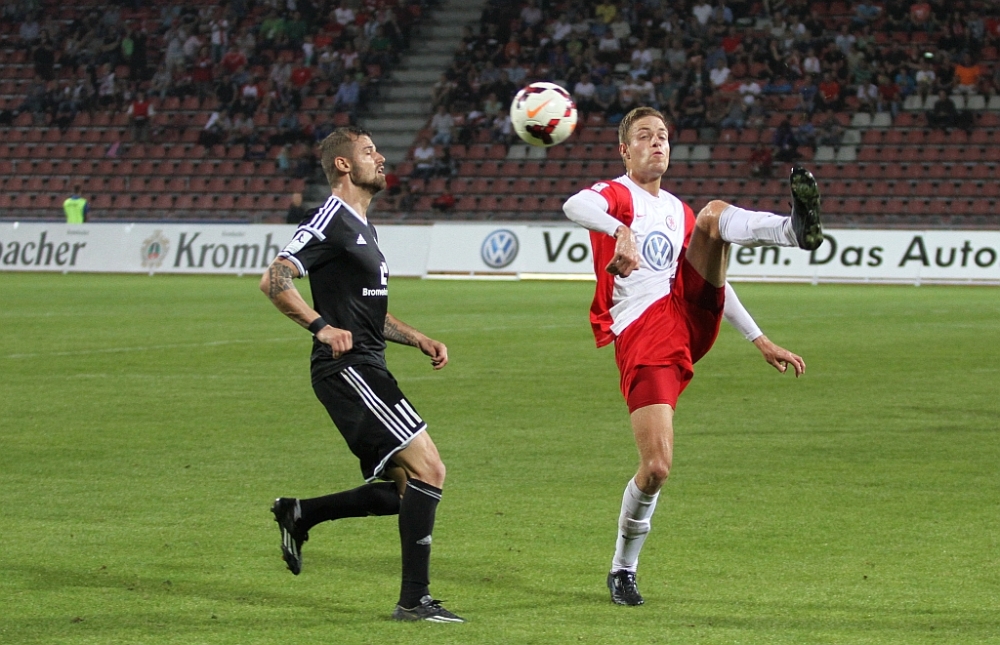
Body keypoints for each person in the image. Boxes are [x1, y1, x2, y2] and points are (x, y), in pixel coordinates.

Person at [561, 107, 823, 607]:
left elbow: (714, 280)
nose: (656, 143)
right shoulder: (616, 195)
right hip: (643, 333)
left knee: (711, 217)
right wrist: (619, 230)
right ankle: (623, 567)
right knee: (656, 467)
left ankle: (792, 230)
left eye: (662, 135)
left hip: (688, 315)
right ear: (625, 151)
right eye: (644, 136)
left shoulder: (677, 210)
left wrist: (759, 338)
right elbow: (574, 204)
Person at [260, 126, 464, 624]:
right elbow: (274, 277)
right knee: (430, 469)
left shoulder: (363, 227)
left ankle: (301, 513)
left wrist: (416, 337)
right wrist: (320, 326)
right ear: (344, 164)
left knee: (406, 489)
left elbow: (370, 312)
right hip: (348, 369)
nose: (381, 158)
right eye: (370, 151)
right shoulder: (330, 218)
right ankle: (414, 601)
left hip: (368, 365)